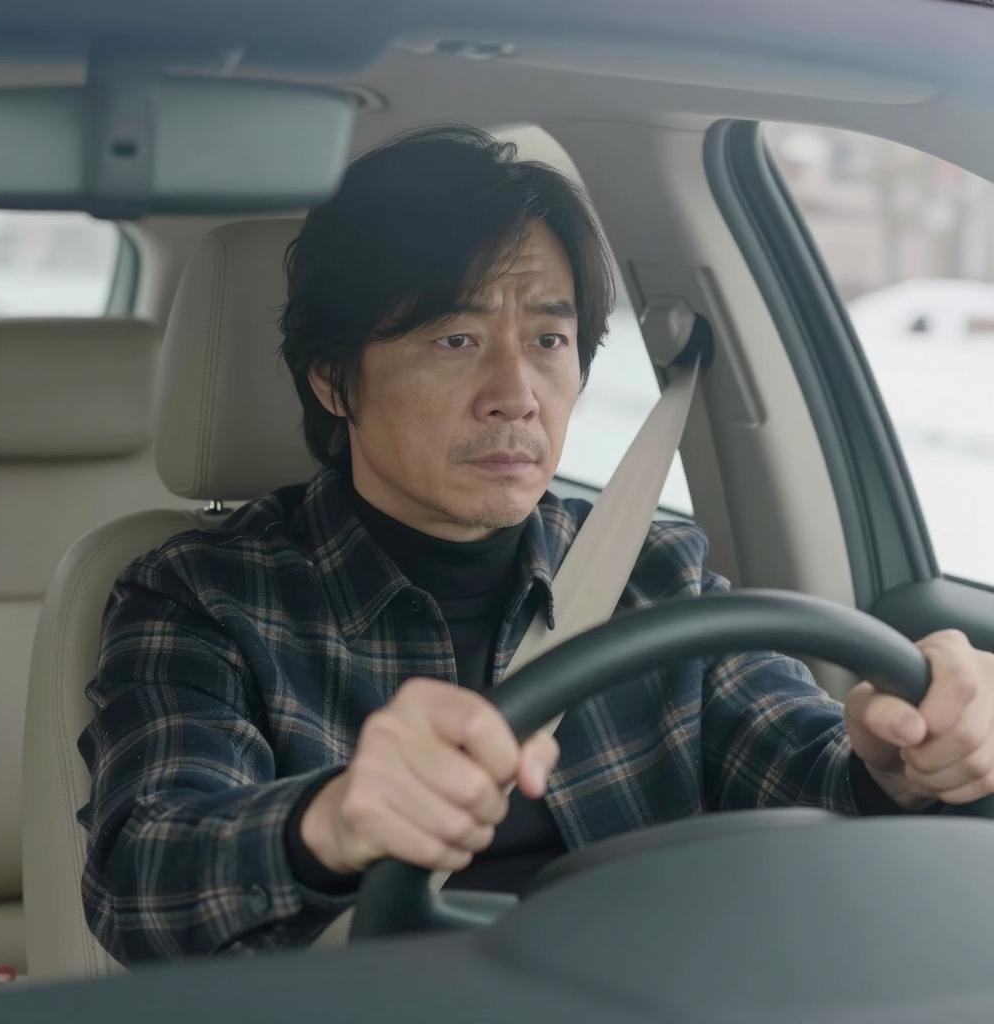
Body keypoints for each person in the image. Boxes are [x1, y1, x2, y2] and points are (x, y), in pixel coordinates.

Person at [78, 125, 994, 963]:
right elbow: (143, 880)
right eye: (455, 339)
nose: (515, 394)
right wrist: (328, 822)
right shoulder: (202, 595)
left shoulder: (653, 571)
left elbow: (805, 770)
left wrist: (901, 763)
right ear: (333, 379)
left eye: (550, 338)